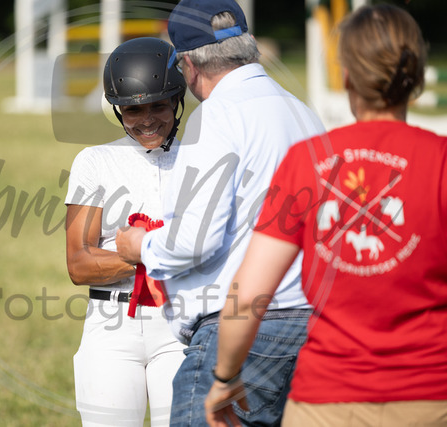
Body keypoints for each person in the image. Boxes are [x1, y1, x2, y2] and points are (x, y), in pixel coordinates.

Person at [205, 4, 447, 426]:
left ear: (347, 76)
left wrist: (225, 376)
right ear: (418, 78)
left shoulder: (307, 162)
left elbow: (248, 294)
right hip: (429, 399)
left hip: (326, 403)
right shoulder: (440, 161)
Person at [115, 0, 325, 425]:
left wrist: (141, 245)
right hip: (313, 328)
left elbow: (197, 238)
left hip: (240, 331)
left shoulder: (215, 116)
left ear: (189, 65)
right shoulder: (305, 113)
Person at [65, 37, 188, 426]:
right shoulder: (95, 161)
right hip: (111, 323)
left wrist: (140, 249)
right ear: (119, 110)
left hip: (182, 321)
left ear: (177, 101)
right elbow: (79, 263)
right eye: (133, 109)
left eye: (158, 105)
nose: (147, 119)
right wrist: (158, 252)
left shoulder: (201, 159)